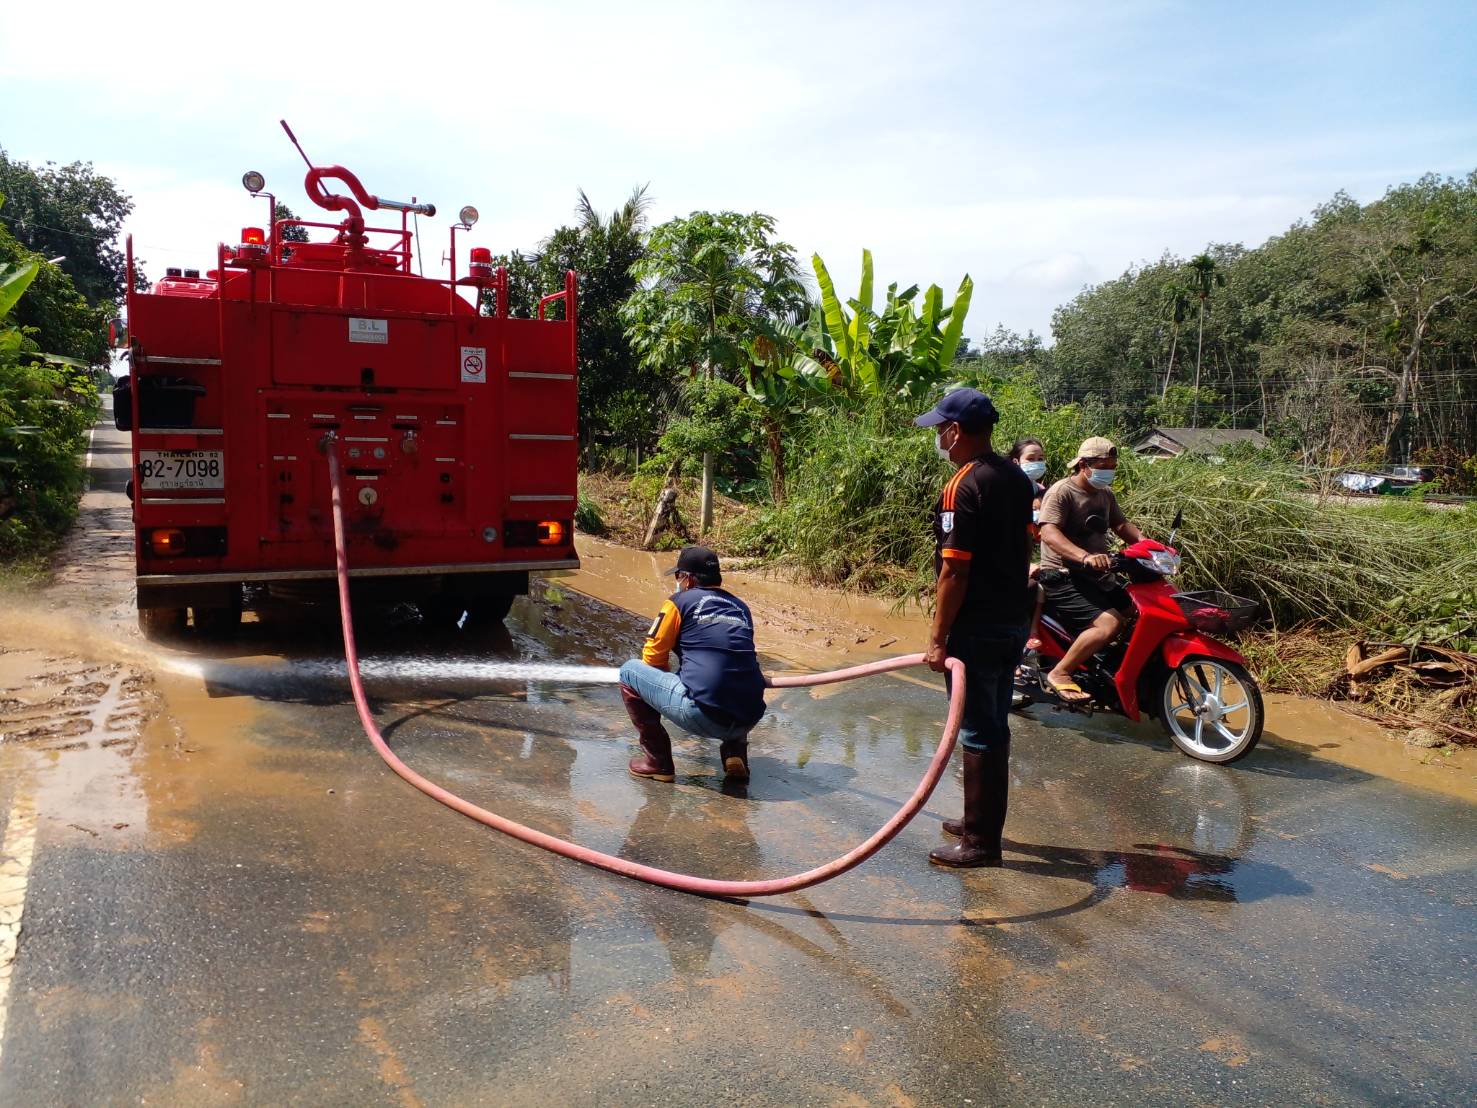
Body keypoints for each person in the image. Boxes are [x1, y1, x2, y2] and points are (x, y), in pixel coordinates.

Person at [915, 387, 1035, 868]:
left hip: (976, 627)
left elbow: (954, 571)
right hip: (1011, 620)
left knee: (979, 731)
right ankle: (977, 823)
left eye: (941, 428)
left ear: (956, 431)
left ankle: (981, 844)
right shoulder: (1016, 478)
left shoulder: (962, 485)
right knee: (994, 723)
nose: (938, 437)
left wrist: (938, 639)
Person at [618, 545, 767, 783]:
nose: (677, 581)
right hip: (748, 717)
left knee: (629, 672)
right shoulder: (741, 608)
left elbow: (652, 660)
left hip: (702, 715)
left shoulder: (679, 602)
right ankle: (734, 753)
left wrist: (666, 689)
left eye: (678, 575)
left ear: (687, 579)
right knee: (731, 678)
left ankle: (658, 762)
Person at [1036, 436, 1144, 704]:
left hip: (1096, 575)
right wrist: (1084, 556)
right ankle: (1061, 672)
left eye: (1112, 466)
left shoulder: (1105, 494)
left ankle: (1107, 666)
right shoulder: (1062, 492)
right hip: (1061, 575)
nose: (1109, 471)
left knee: (1137, 611)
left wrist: (1148, 545)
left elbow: (1121, 525)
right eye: (1104, 465)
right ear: (1083, 465)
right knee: (1110, 623)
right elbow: (1048, 532)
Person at [1007, 437, 1049, 652]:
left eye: (1040, 458)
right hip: (1010, 558)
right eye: (1031, 458)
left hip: (1035, 555)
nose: (1037, 463)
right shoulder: (1005, 490)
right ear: (1016, 462)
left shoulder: (1044, 492)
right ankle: (1020, 641)